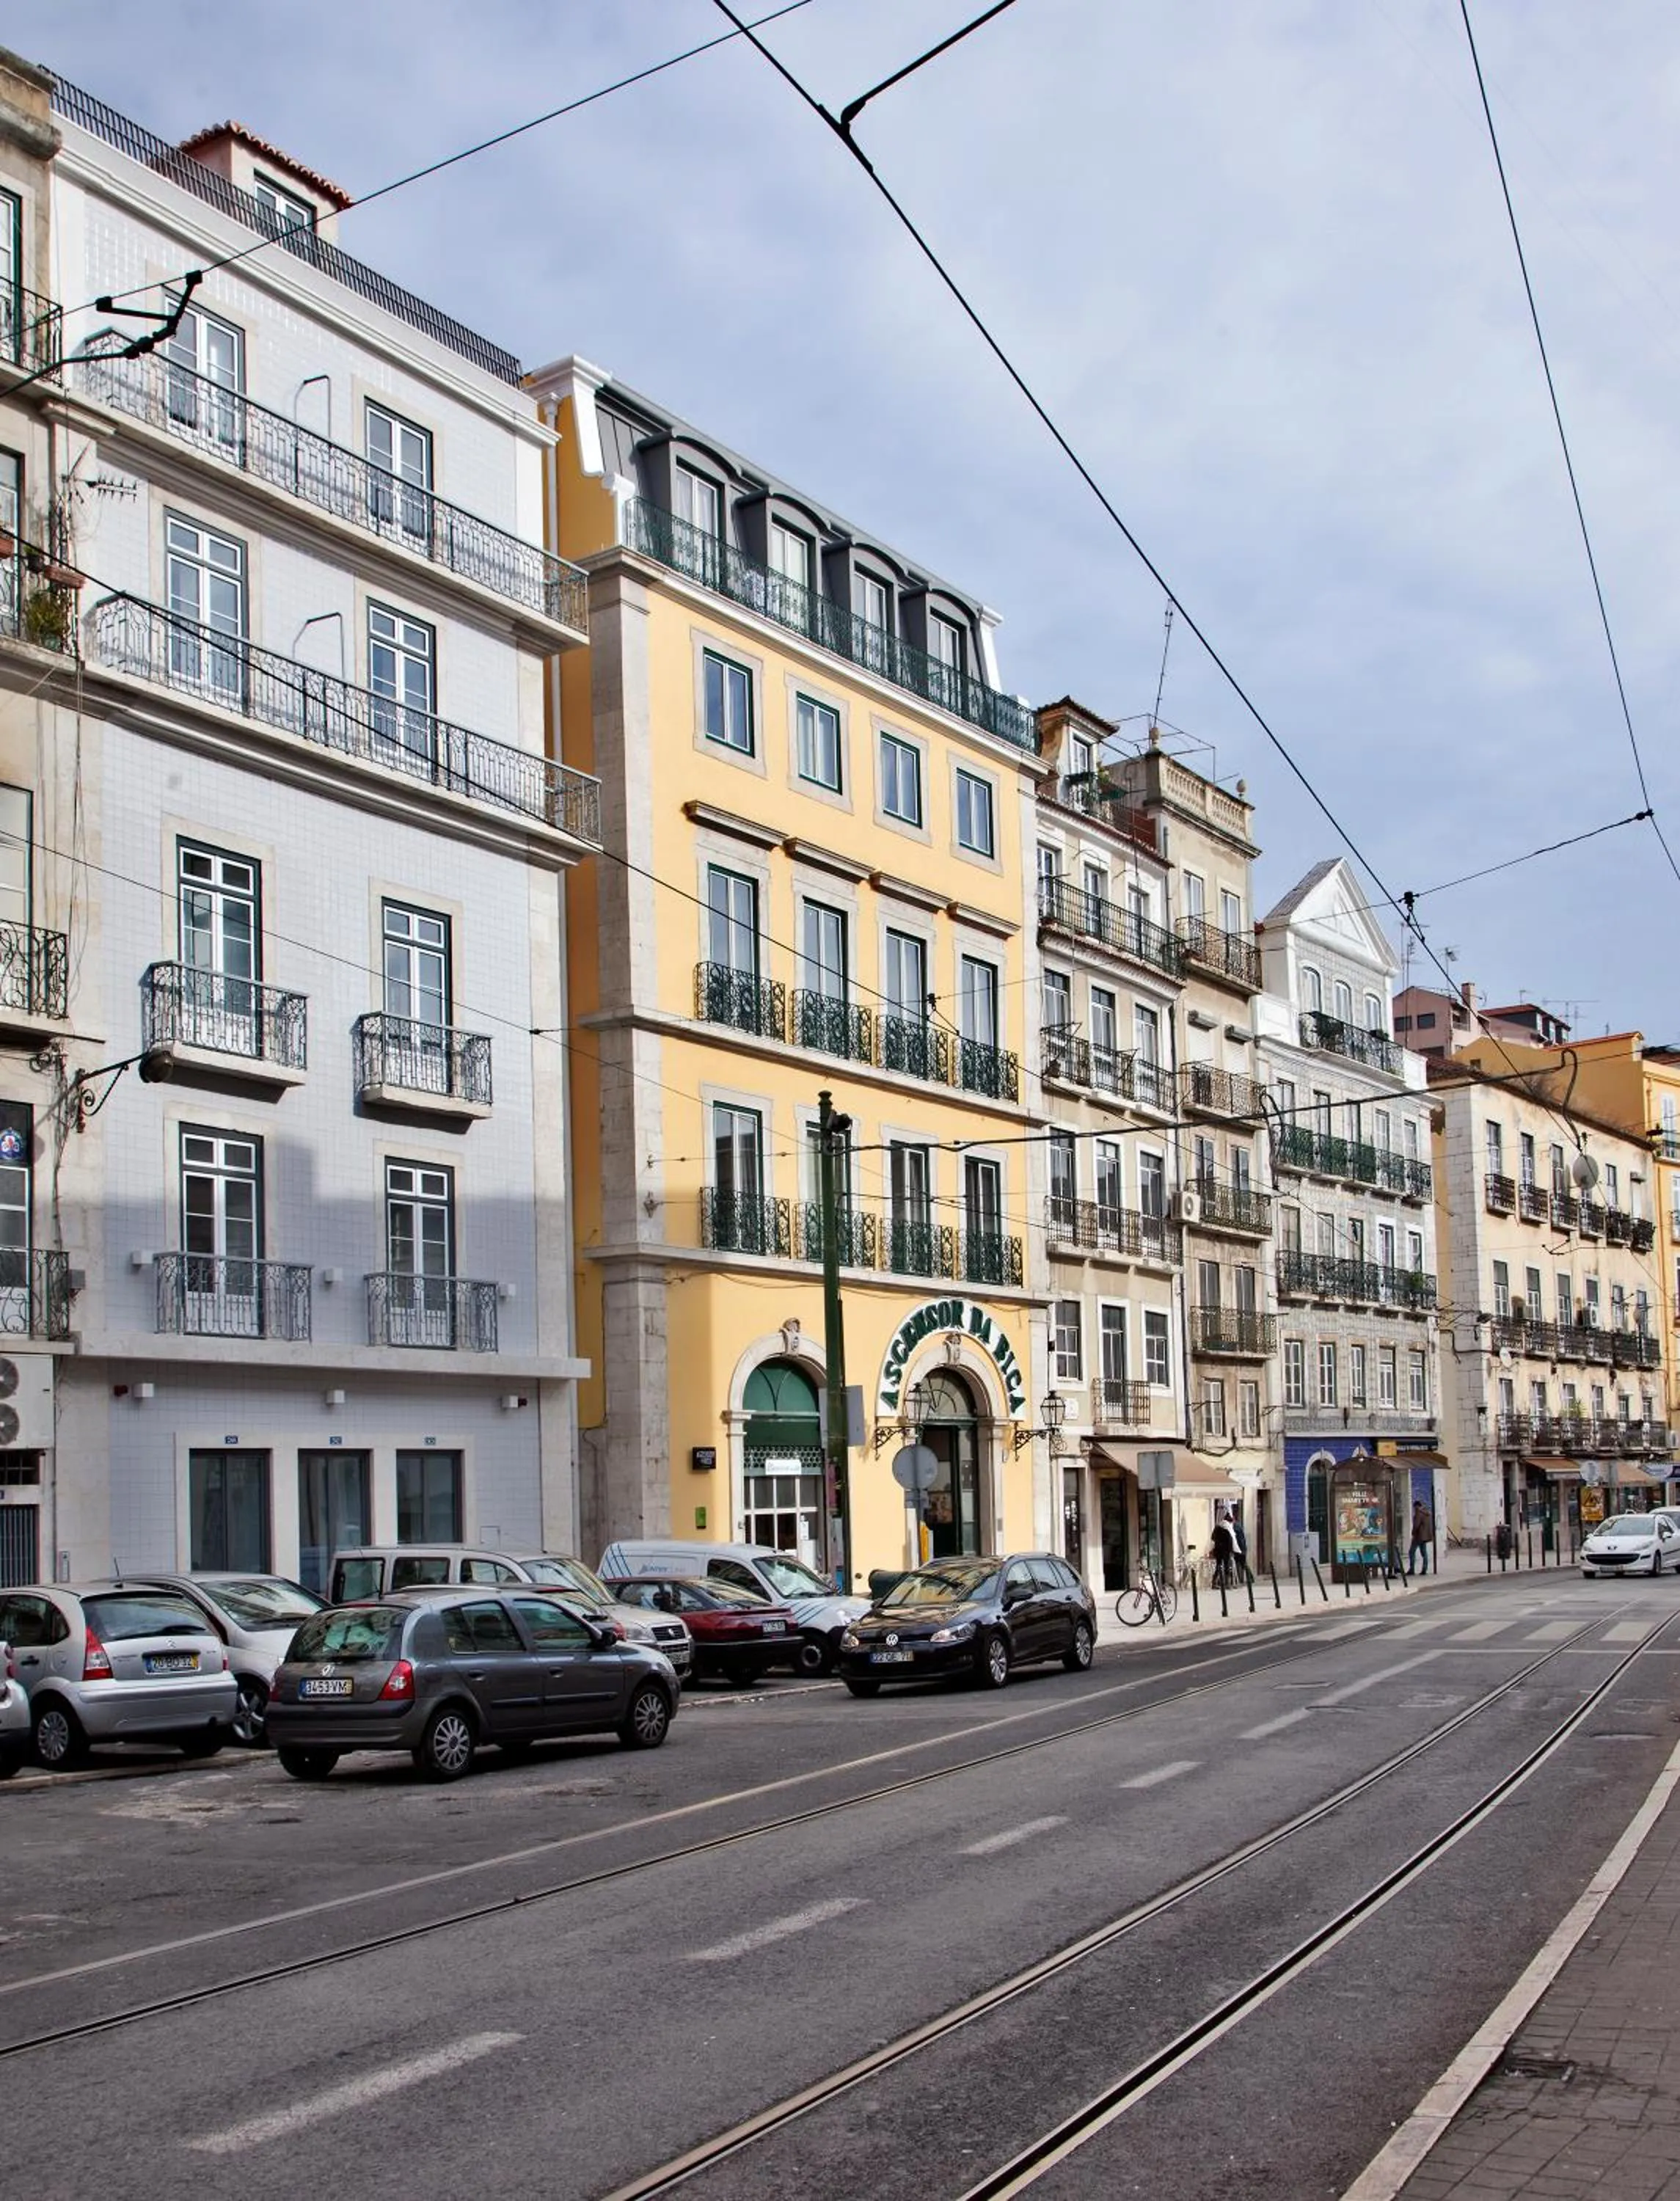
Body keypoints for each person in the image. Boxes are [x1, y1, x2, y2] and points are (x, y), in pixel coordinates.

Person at [1210, 1508, 1237, 1591]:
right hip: (1226, 1551)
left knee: (1218, 1566)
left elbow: (1213, 1538)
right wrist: (1231, 1550)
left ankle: (1214, 1583)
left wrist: (1219, 1543)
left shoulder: (1218, 1526)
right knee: (1227, 1566)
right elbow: (1230, 1540)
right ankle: (1227, 1584)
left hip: (1218, 1550)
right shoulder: (1228, 1528)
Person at [1408, 1497, 1434, 1577]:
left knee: (1411, 1552)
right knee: (1424, 1553)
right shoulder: (1427, 1513)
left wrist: (1413, 1533)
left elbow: (1416, 1525)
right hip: (1425, 1537)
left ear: (1416, 1506)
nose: (1414, 1509)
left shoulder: (1419, 1513)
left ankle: (1412, 1569)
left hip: (1418, 1536)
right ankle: (1424, 1569)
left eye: (1414, 1507)